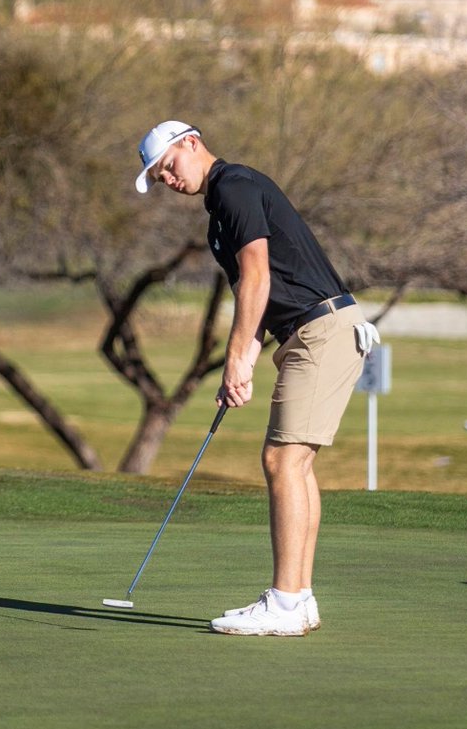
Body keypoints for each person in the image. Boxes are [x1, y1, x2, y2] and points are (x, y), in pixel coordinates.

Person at [134, 119, 377, 636]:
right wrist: (243, 361)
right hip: (310, 332)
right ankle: (299, 599)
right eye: (159, 178)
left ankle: (285, 603)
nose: (168, 180)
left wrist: (235, 356)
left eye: (168, 166)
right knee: (295, 464)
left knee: (281, 460)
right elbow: (259, 297)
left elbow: (257, 277)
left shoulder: (235, 186)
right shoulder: (218, 216)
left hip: (321, 329)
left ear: (191, 143)